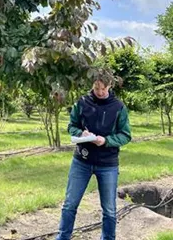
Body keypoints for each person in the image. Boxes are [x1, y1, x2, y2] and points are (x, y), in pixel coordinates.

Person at [56, 69, 132, 240]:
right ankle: (62, 237)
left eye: (103, 89)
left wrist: (106, 141)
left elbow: (126, 135)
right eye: (97, 88)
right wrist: (80, 133)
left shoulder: (118, 107)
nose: (100, 92)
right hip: (81, 161)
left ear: (110, 86)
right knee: (69, 205)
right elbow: (72, 125)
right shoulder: (82, 102)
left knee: (109, 209)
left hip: (108, 164)